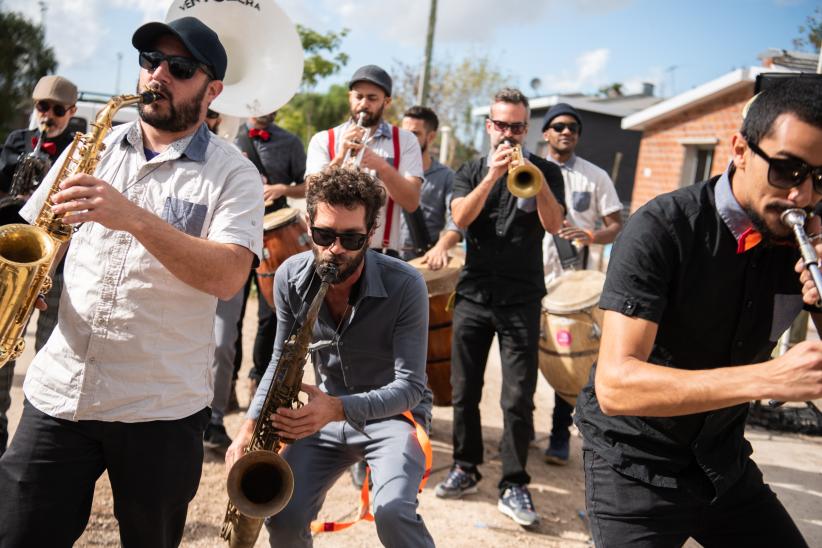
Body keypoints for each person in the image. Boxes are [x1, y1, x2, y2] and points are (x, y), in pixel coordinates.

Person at [0, 17, 263, 547]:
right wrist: (35, 277)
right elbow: (39, 236)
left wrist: (134, 217)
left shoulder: (235, 174)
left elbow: (229, 276)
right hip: (60, 392)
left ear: (212, 90)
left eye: (179, 67)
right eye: (150, 62)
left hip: (158, 410)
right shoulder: (82, 151)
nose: (157, 75)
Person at [575, 77, 822, 547]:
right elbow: (616, 386)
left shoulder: (807, 235)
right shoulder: (661, 230)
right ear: (740, 150)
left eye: (820, 178)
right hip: (634, 463)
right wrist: (768, 379)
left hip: (721, 462)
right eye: (788, 170)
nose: (802, 196)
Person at [227, 166, 435, 547]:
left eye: (351, 238)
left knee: (392, 512)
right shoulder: (289, 275)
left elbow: (410, 389)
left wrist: (335, 408)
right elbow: (280, 358)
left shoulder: (407, 284)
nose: (335, 249)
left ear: (371, 233)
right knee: (281, 514)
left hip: (393, 418)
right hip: (323, 418)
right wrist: (249, 425)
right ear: (308, 224)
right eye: (324, 235)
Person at [434, 88, 565, 527]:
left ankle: (513, 482)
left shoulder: (544, 171)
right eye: (501, 125)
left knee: (517, 397)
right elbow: (461, 218)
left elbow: (554, 224)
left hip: (522, 298)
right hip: (473, 295)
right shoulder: (470, 170)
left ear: (526, 129)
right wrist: (491, 177)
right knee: (464, 390)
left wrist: (538, 181)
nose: (508, 133)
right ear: (489, 126)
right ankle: (465, 467)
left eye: (516, 126)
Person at [204, 112, 306, 449]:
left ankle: (256, 384)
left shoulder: (290, 142)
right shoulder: (226, 135)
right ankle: (222, 398)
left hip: (274, 237)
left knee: (270, 318)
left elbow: (306, 185)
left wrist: (282, 188)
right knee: (223, 327)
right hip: (228, 233)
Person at [539, 103, 623, 465]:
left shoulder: (595, 176)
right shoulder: (527, 170)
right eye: (558, 126)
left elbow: (617, 225)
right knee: (523, 361)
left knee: (569, 364)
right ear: (546, 132)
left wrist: (592, 235)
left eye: (573, 127)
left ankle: (560, 435)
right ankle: (522, 427)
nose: (566, 132)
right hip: (530, 281)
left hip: (572, 288)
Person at [0, 74, 79, 457]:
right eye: (42, 107)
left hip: (54, 269)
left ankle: (32, 446)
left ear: (72, 113)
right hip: (11, 263)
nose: (48, 116)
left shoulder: (76, 151)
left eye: (58, 110)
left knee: (47, 356)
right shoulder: (17, 142)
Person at [305, 64, 422, 257]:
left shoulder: (406, 141)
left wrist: (382, 166)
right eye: (358, 97)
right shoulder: (324, 139)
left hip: (382, 251)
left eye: (372, 98)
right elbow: (311, 193)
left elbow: (411, 202)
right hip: (333, 249)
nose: (364, 104)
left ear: (387, 101)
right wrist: (340, 156)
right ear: (349, 97)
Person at [399, 105, 461, 268]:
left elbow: (456, 221)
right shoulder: (388, 169)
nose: (406, 139)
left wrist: (441, 247)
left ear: (431, 136)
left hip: (420, 261)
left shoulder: (447, 176)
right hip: (381, 255)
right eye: (403, 133)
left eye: (414, 134)